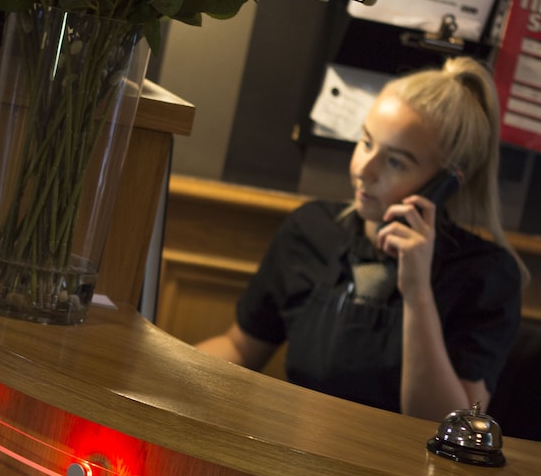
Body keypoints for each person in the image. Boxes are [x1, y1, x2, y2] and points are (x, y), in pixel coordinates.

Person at [196, 56, 525, 422]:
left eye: (396, 162)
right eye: (366, 142)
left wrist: (417, 292)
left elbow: (448, 425)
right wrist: (176, 372)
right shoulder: (311, 229)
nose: (364, 171)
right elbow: (240, 347)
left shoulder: (486, 275)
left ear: (446, 183)